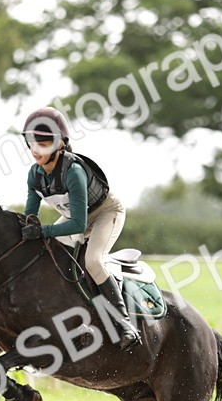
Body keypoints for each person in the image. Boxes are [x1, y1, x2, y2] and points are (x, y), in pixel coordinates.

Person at [19, 107, 141, 350]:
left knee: (93, 261)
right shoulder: (34, 174)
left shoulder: (73, 171)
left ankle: (125, 324)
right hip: (75, 215)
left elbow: (78, 225)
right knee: (49, 256)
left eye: (43, 143)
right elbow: (29, 217)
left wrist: (42, 231)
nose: (35, 150)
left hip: (106, 213)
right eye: (32, 143)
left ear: (59, 145)